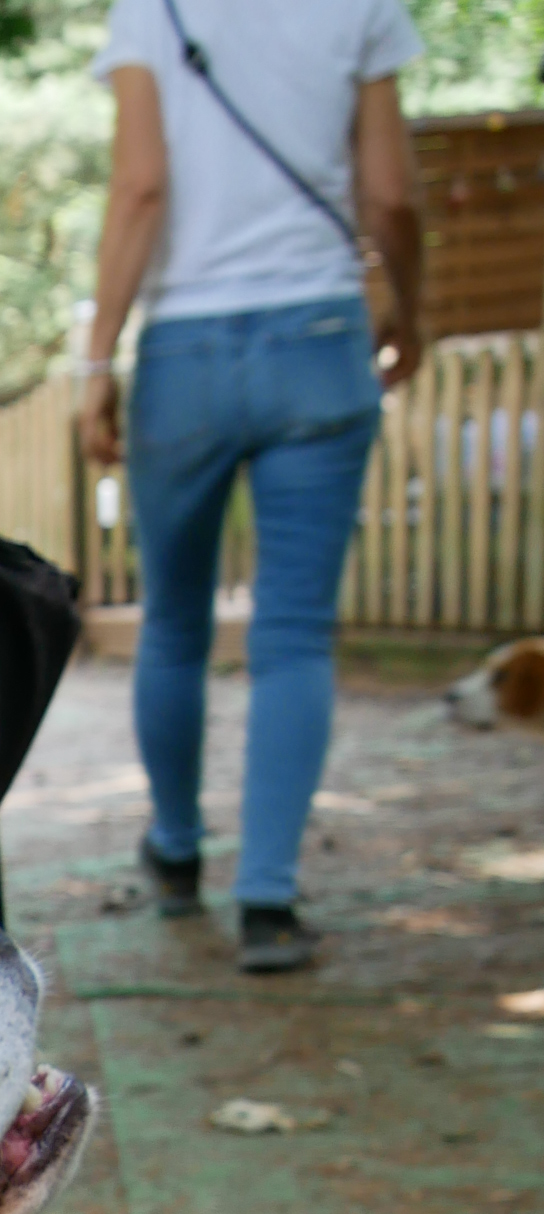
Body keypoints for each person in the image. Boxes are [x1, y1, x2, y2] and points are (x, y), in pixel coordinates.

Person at [80, 0, 424, 972]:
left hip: (184, 354)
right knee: (295, 633)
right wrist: (412, 308)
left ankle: (176, 852)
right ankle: (267, 899)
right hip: (321, 338)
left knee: (174, 623)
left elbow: (140, 186)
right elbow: (391, 195)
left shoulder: (153, 7)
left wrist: (96, 358)